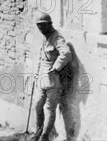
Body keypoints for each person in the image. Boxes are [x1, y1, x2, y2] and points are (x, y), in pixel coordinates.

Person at [32, 12, 73, 141]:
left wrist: (56, 67)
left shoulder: (57, 37)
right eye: (38, 26)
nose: (41, 28)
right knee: (37, 105)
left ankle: (45, 136)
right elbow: (41, 58)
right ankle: (38, 131)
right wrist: (36, 73)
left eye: (43, 25)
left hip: (54, 79)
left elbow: (66, 53)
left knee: (49, 108)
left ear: (50, 24)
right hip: (42, 78)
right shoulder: (44, 38)